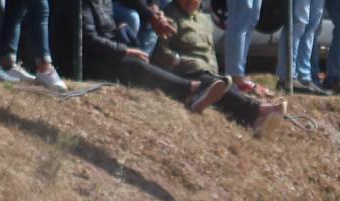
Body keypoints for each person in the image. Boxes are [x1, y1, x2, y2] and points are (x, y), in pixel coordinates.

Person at [81, 0, 284, 130]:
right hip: (180, 71)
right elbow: (160, 53)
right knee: (208, 83)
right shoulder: (171, 15)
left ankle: (253, 117)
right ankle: (254, 111)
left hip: (202, 73)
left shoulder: (203, 22)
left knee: (218, 85)